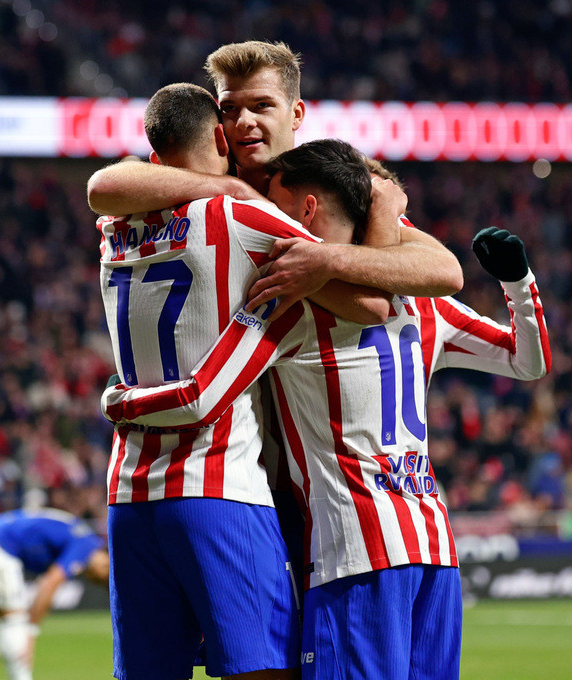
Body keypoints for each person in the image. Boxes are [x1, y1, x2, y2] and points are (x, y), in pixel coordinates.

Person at [101, 139, 552, 680]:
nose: (265, 214)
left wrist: (119, 398)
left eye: (274, 202)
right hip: (433, 548)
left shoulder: (295, 306)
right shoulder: (429, 306)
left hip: (352, 553)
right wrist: (519, 283)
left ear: (308, 209)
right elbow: (529, 360)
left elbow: (204, 396)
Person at [98, 82, 408, 680]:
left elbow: (101, 187)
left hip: (128, 493)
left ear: (156, 157)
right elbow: (372, 304)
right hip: (218, 486)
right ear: (220, 139)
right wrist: (384, 212)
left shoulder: (113, 225)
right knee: (263, 671)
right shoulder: (238, 214)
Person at [87, 40, 464, 314]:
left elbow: (446, 272)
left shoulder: (330, 178)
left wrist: (327, 260)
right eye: (230, 108)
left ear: (296, 114)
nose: (244, 121)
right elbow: (102, 188)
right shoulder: (207, 179)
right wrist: (230, 187)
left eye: (261, 106)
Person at [0, 508, 109, 680]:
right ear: (106, 554)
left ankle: (12, 662)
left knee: (7, 618)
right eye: (106, 570)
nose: (98, 576)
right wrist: (30, 631)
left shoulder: (80, 534)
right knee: (15, 619)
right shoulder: (85, 544)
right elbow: (49, 584)